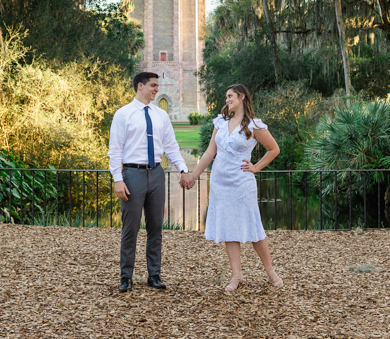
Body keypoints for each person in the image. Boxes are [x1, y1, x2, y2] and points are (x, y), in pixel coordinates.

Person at [182, 84, 283, 292]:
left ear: (242, 97)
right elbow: (210, 152)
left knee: (254, 228)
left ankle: (270, 271)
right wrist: (194, 175)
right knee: (229, 229)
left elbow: (274, 149)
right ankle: (237, 276)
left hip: (242, 183)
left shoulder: (255, 125)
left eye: (230, 96)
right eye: (226, 96)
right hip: (220, 182)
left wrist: (255, 167)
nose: (227, 100)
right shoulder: (220, 122)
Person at [108, 71, 190, 293]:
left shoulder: (160, 115)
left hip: (156, 174)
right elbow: (115, 150)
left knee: (156, 229)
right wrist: (117, 179)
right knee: (130, 229)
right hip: (132, 174)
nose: (156, 89)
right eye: (153, 85)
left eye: (157, 85)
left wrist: (183, 168)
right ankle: (126, 277)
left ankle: (154, 275)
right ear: (140, 86)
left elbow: (171, 146)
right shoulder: (123, 114)